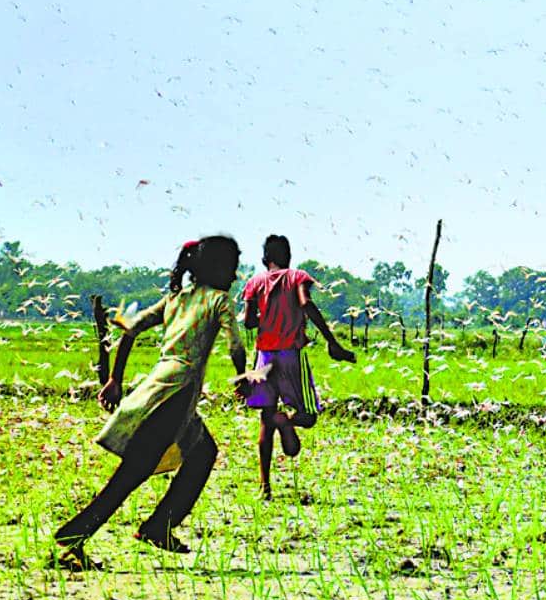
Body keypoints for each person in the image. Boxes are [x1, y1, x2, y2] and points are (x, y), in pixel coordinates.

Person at [52, 236, 248, 571]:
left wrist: (115, 379)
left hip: (158, 385)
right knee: (134, 472)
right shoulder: (219, 300)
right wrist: (242, 376)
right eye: (232, 268)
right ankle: (74, 536)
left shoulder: (175, 299)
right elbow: (236, 345)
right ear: (216, 268)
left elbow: (129, 329)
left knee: (203, 453)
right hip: (177, 393)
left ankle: (159, 526)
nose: (234, 276)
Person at [241, 234, 355, 500]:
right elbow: (306, 304)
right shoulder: (296, 277)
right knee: (308, 415)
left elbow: (248, 322)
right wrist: (331, 341)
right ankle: (286, 420)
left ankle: (265, 487)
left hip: (264, 357)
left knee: (265, 421)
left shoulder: (254, 283)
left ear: (264, 259)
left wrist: (266, 315)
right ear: (289, 257)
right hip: (291, 355)